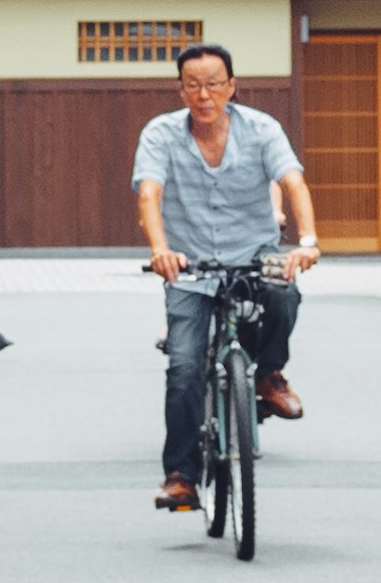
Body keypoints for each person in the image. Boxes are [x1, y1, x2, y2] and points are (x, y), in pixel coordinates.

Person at [133, 41, 320, 512]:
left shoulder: (262, 129)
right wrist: (160, 250)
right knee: (183, 367)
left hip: (253, 254)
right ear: (181, 90)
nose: (204, 94)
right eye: (193, 85)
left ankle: (268, 374)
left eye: (214, 84)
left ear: (231, 86)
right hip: (190, 267)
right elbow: (149, 195)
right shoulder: (160, 134)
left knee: (283, 296)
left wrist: (309, 240)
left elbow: (293, 181)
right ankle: (181, 476)